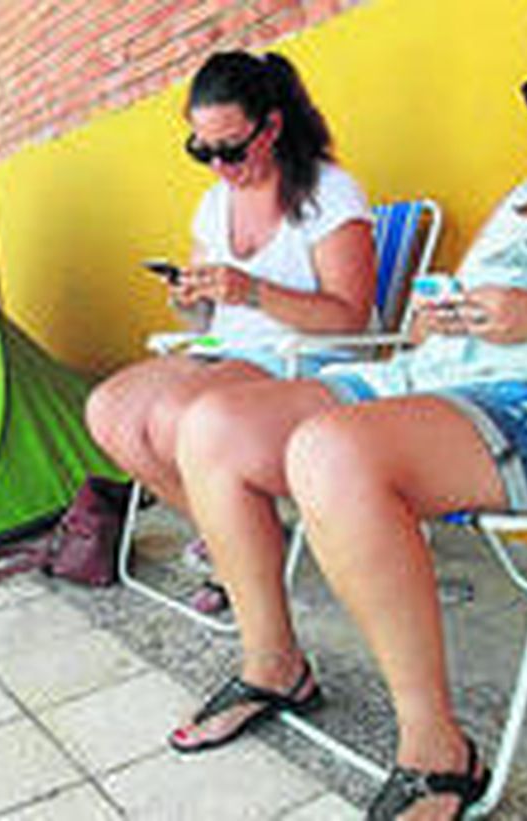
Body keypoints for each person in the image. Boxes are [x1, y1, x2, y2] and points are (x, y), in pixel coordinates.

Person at [167, 4, 527, 819]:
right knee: (212, 426)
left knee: (330, 450)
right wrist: (441, 314)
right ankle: (273, 663)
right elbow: (433, 325)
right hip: (433, 379)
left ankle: (437, 750)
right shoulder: (524, 196)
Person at [84, 50, 377, 610]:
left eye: (231, 148)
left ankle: (241, 557)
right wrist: (189, 299)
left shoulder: (328, 193)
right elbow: (203, 322)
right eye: (202, 150)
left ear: (271, 126)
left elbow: (350, 319)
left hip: (302, 358)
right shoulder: (215, 204)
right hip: (226, 351)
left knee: (172, 417)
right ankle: (235, 537)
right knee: (108, 411)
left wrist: (253, 291)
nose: (218, 164)